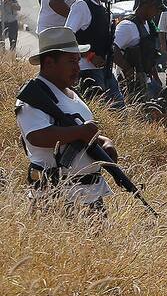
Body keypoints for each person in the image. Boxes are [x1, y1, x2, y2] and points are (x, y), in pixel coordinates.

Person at [16, 27, 117, 210]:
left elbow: (80, 132)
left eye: (78, 61)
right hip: (56, 198)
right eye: (71, 61)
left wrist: (103, 141)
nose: (77, 68)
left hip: (89, 195)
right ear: (49, 63)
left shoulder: (71, 93)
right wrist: (80, 132)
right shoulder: (35, 97)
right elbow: (37, 136)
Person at [66, 0, 125, 107]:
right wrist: (90, 56)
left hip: (105, 71)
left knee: (119, 109)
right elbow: (66, 38)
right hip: (86, 71)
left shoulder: (102, 7)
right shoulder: (82, 5)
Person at [114, 0, 164, 104]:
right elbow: (112, 48)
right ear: (147, 6)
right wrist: (128, 70)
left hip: (146, 80)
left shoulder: (147, 24)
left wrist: (156, 77)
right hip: (131, 84)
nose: (157, 12)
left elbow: (148, 54)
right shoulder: (127, 25)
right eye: (156, 9)